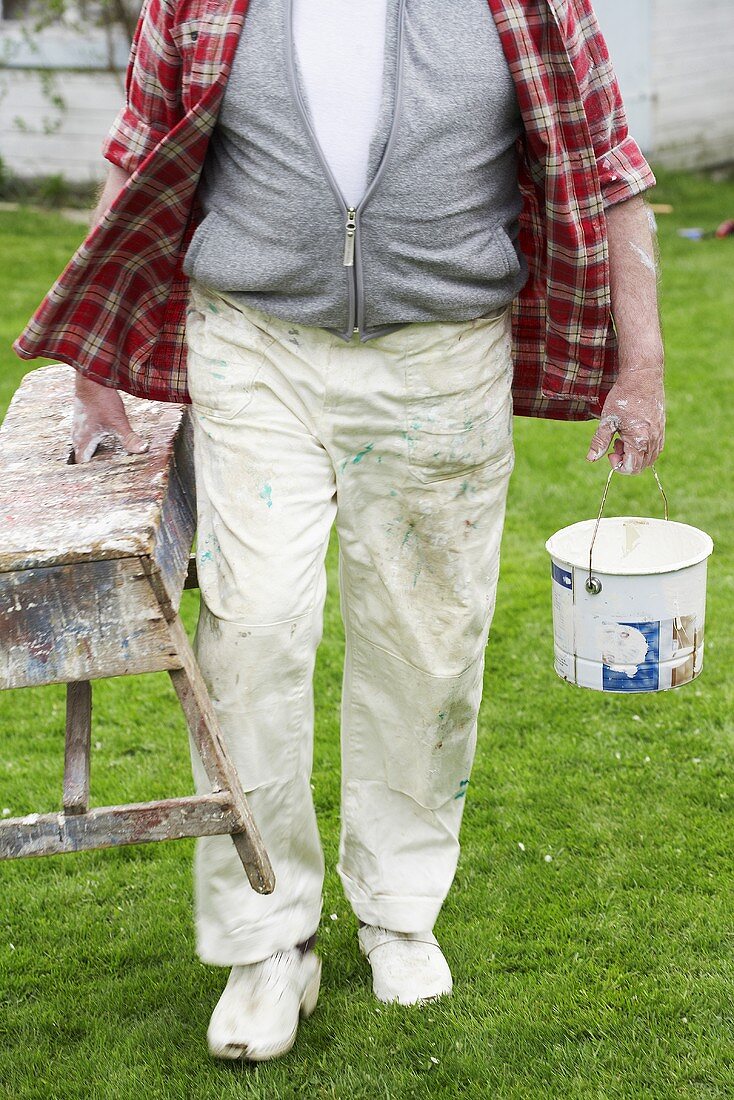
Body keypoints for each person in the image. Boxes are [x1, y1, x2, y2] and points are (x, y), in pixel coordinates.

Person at [14, 0, 665, 1063]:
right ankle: (266, 942)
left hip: (441, 358)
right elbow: (136, 158)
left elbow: (606, 166)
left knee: (426, 642)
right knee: (250, 630)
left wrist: (635, 368)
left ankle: (399, 907)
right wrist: (94, 366)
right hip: (254, 344)